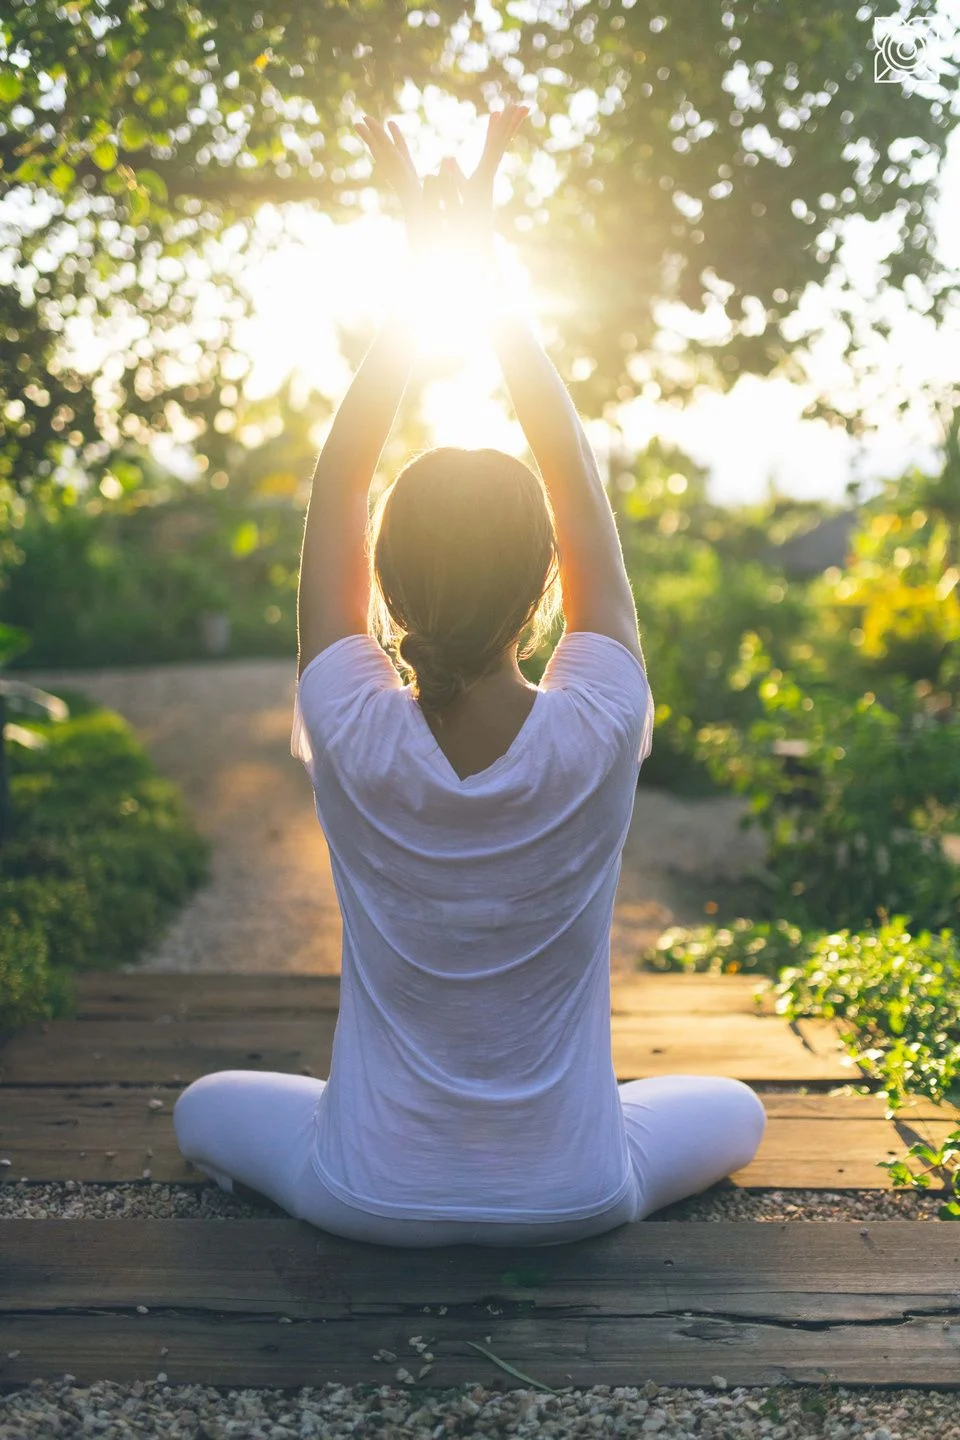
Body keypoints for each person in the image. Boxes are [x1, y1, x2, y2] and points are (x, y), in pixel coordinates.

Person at [174, 103, 767, 1248]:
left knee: (206, 1106)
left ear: (383, 594)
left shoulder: (348, 719)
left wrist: (421, 267)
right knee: (735, 1108)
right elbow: (574, 476)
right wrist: (484, 268)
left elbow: (337, 486)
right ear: (546, 583)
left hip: (365, 1195)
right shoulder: (598, 719)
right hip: (577, 1197)